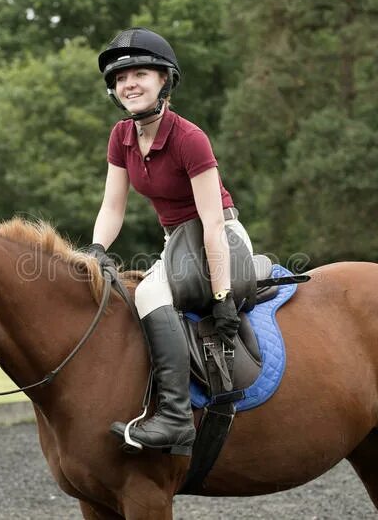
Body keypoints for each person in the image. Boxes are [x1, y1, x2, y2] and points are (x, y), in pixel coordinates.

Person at [89, 27, 253, 454]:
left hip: (219, 235)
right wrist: (96, 249)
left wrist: (222, 294)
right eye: (121, 78)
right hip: (176, 240)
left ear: (165, 80)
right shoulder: (121, 137)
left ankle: (177, 420)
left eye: (140, 73)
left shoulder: (189, 138)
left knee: (148, 294)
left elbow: (213, 225)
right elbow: (112, 208)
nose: (129, 84)